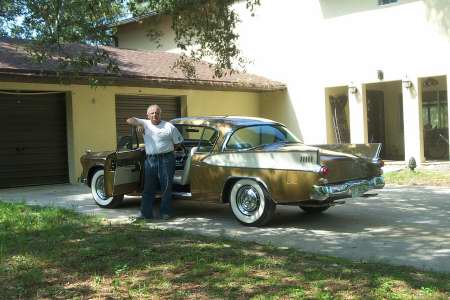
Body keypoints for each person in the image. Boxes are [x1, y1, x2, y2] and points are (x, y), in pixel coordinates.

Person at [126, 104, 183, 220]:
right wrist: (139, 124)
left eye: (157, 113)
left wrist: (167, 150)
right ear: (147, 115)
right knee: (148, 188)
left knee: (166, 187)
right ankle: (145, 214)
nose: (154, 115)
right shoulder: (145, 123)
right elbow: (129, 119)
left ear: (160, 114)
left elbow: (178, 143)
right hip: (150, 160)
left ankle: (165, 213)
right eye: (152, 113)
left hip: (166, 159)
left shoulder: (169, 126)